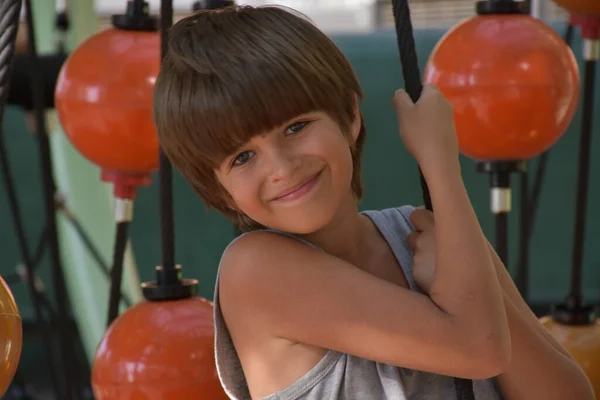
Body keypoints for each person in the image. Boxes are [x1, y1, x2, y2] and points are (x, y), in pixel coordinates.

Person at [152, 5, 594, 400]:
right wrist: (439, 163)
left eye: (296, 126)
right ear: (217, 187)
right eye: (243, 157)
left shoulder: (424, 235)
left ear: (349, 114)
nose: (281, 168)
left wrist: (475, 281)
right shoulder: (255, 270)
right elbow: (479, 348)